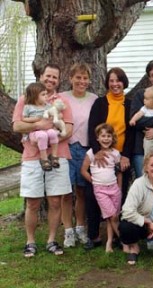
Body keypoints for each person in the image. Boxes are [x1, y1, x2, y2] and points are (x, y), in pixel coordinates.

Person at [13, 63, 73, 257]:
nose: (51, 80)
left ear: (58, 80)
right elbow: (17, 126)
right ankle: (30, 242)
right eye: (48, 76)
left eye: (55, 77)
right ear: (41, 76)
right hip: (32, 156)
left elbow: (68, 130)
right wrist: (39, 126)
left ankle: (52, 240)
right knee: (33, 202)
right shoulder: (26, 99)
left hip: (58, 154)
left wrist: (48, 138)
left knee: (55, 200)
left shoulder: (61, 102)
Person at [85, 67, 134, 250]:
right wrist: (97, 150)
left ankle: (119, 235)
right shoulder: (100, 103)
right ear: (107, 83)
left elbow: (131, 133)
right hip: (101, 156)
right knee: (92, 195)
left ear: (124, 83)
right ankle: (94, 235)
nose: (115, 84)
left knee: (119, 197)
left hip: (120, 157)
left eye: (118, 80)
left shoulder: (129, 104)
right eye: (111, 81)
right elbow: (92, 129)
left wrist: (125, 156)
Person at [60, 63, 98, 248]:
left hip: (85, 149)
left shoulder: (93, 99)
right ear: (71, 78)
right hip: (65, 147)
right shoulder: (61, 98)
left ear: (89, 80)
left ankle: (81, 227)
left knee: (82, 191)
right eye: (78, 77)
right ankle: (68, 231)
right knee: (66, 192)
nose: (81, 81)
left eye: (85, 78)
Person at [80, 123, 122, 253]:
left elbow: (119, 172)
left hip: (114, 189)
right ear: (97, 138)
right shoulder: (92, 153)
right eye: (103, 136)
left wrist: (119, 188)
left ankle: (109, 243)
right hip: (100, 189)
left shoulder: (115, 153)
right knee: (112, 216)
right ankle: (125, 240)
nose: (106, 139)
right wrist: (94, 182)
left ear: (112, 138)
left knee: (112, 217)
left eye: (109, 136)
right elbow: (83, 170)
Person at [21, 82, 60, 171]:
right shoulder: (28, 107)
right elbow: (24, 119)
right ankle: (44, 158)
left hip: (47, 129)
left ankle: (54, 155)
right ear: (35, 96)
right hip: (34, 132)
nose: (46, 96)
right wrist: (37, 119)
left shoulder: (48, 106)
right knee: (42, 135)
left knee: (53, 133)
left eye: (46, 94)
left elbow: (55, 114)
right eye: (43, 94)